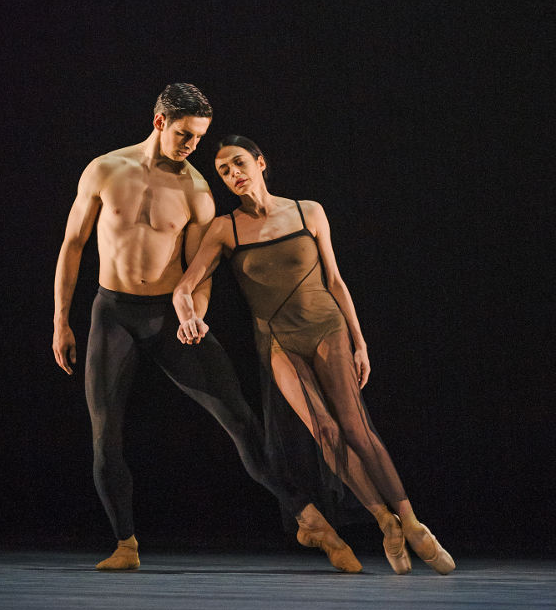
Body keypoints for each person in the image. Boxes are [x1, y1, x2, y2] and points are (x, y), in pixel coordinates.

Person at [52, 85, 363, 573]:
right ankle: (125, 542)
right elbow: (73, 245)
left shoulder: (196, 190)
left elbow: (200, 269)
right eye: (183, 135)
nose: (190, 146)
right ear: (159, 122)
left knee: (239, 420)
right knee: (104, 433)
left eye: (197, 138)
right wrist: (60, 322)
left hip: (169, 318)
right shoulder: (104, 170)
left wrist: (194, 315)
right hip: (113, 313)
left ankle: (313, 522)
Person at [174, 135, 456, 575]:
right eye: (225, 170)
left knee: (356, 428)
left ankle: (415, 525)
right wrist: (188, 316)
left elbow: (336, 280)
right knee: (324, 431)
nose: (234, 174)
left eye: (240, 163)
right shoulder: (226, 228)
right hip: (277, 340)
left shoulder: (308, 211)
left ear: (261, 162)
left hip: (327, 327)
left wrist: (361, 342)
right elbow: (183, 287)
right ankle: (385, 523)